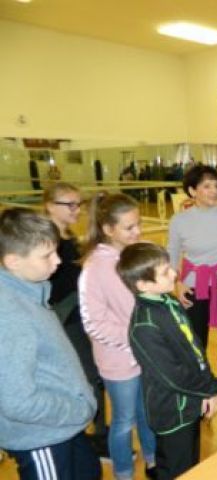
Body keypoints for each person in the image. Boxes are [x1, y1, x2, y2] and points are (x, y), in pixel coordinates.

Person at [0, 208, 100, 480]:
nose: (57, 261)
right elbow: (17, 401)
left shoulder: (31, 292)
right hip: (41, 437)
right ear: (13, 261)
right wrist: (78, 409)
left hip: (64, 426)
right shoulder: (10, 314)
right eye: (46, 255)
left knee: (89, 472)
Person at [117, 243, 217, 478]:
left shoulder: (169, 301)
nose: (174, 273)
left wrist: (207, 388)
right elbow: (173, 377)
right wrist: (211, 388)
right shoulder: (144, 326)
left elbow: (194, 349)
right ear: (143, 285)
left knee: (190, 465)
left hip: (191, 402)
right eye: (165, 272)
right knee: (177, 469)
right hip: (173, 414)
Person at [79, 192, 157, 480]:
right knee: (124, 421)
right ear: (108, 229)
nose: (137, 231)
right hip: (117, 360)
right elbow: (94, 324)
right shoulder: (95, 267)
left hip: (143, 353)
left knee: (146, 413)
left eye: (138, 224)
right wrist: (136, 336)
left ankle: (152, 461)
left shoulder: (131, 256)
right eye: (129, 227)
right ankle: (123, 472)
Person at [168, 165, 217, 429]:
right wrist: (176, 283)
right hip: (193, 289)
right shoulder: (179, 221)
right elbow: (171, 256)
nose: (214, 190)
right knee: (195, 351)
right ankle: (200, 404)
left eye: (216, 185)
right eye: (206, 186)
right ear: (192, 191)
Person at [43, 183, 109, 460]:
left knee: (93, 375)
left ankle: (98, 431)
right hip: (64, 320)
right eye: (69, 204)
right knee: (90, 376)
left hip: (79, 315)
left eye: (78, 204)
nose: (76, 209)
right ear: (50, 206)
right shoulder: (44, 241)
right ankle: (97, 436)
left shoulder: (67, 237)